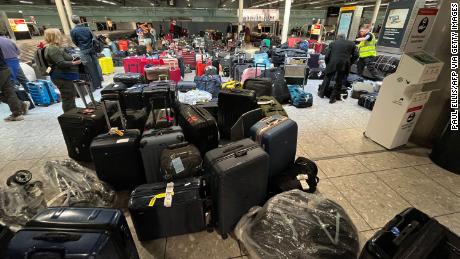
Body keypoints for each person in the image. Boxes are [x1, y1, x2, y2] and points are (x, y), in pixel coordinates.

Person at [44, 28, 81, 112]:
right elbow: (61, 63)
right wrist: (75, 63)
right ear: (55, 36)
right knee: (68, 97)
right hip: (62, 77)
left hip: (63, 76)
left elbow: (65, 58)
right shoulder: (53, 48)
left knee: (70, 96)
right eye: (59, 35)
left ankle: (72, 112)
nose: (61, 36)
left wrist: (73, 58)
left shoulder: (55, 47)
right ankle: (70, 115)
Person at [318, 34, 359, 104]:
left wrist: (328, 64)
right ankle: (332, 98)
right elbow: (356, 55)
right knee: (339, 81)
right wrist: (349, 62)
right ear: (345, 38)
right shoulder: (352, 44)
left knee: (327, 77)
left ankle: (321, 94)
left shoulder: (333, 43)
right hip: (344, 63)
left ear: (337, 38)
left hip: (333, 62)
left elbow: (327, 56)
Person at [70, 15, 103, 90]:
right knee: (96, 65)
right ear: (79, 20)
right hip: (92, 49)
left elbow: (74, 41)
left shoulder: (73, 31)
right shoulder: (87, 28)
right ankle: (100, 83)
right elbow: (93, 38)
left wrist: (80, 46)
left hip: (83, 50)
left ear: (73, 21)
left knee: (89, 67)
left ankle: (94, 85)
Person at [0, 46, 30, 121]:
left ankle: (17, 113)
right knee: (9, 93)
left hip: (1, 71)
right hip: (5, 69)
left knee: (8, 93)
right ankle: (21, 106)